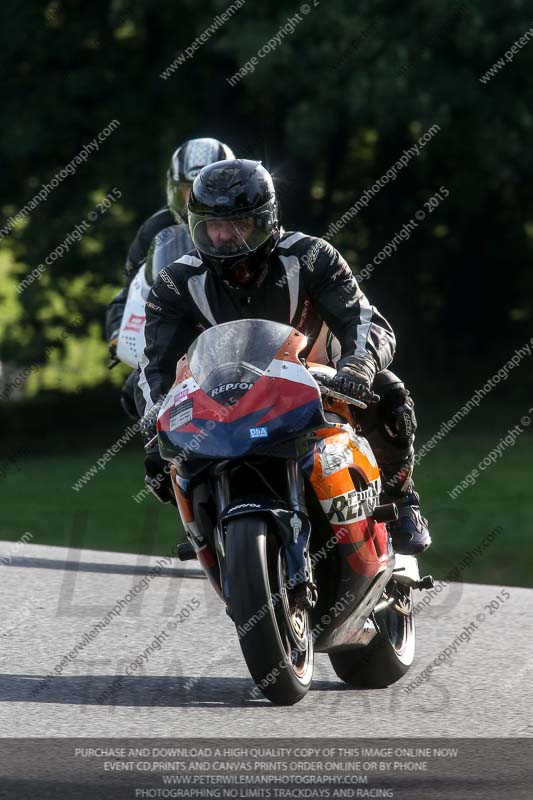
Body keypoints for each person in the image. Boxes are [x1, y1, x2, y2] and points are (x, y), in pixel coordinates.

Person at [136, 159, 431, 556]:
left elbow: (363, 320)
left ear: (265, 220)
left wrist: (357, 367)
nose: (223, 237)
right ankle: (208, 533)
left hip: (315, 380)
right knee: (160, 460)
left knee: (388, 392)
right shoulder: (175, 282)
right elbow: (152, 364)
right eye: (211, 226)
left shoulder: (312, 256)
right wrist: (156, 415)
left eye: (236, 224)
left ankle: (402, 501)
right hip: (223, 397)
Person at [105, 137, 235, 418]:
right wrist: (118, 333)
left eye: (206, 190)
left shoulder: (248, 222)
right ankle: (169, 460)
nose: (194, 202)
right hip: (178, 339)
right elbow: (130, 291)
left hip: (238, 337)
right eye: (187, 191)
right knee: (136, 393)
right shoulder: (155, 229)